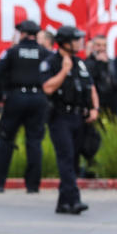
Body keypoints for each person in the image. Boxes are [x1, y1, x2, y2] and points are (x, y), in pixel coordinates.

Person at [0, 19, 53, 193]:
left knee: (6, 140)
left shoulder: (12, 52)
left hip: (16, 98)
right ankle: (33, 186)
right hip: (39, 98)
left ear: (22, 33)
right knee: (34, 142)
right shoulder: (45, 53)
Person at [43, 24, 95, 214]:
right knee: (66, 158)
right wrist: (64, 71)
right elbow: (47, 88)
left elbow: (90, 85)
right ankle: (74, 200)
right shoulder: (52, 62)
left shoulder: (79, 62)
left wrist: (94, 108)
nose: (79, 42)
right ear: (65, 42)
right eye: (75, 39)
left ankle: (63, 203)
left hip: (78, 116)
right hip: (59, 117)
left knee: (73, 160)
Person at [86, 34, 117, 114]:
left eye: (104, 45)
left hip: (111, 106)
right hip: (95, 106)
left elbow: (116, 84)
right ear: (93, 47)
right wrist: (99, 63)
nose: (102, 48)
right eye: (98, 45)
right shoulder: (87, 63)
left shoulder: (112, 62)